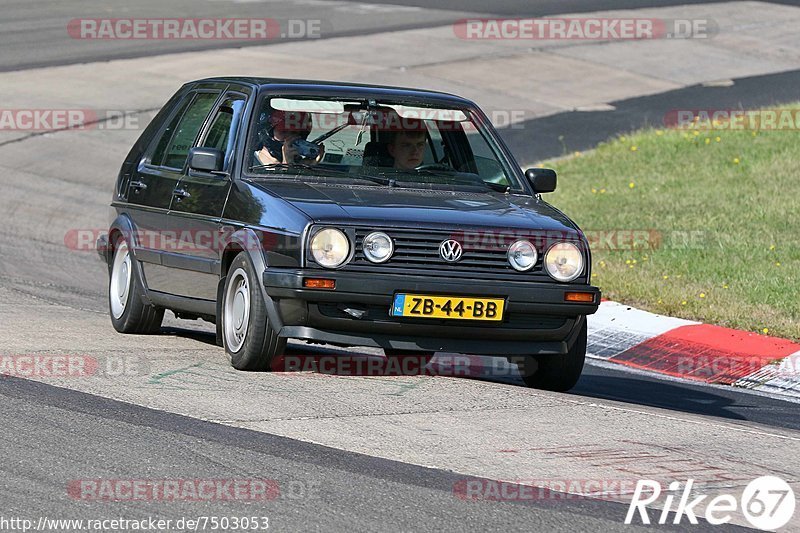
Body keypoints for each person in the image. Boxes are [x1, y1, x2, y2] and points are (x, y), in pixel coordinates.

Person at [254, 109, 324, 166]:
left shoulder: (299, 162)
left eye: (294, 133)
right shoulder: (251, 162)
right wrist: (286, 164)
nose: (289, 137)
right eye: (283, 131)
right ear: (269, 133)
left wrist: (308, 166)